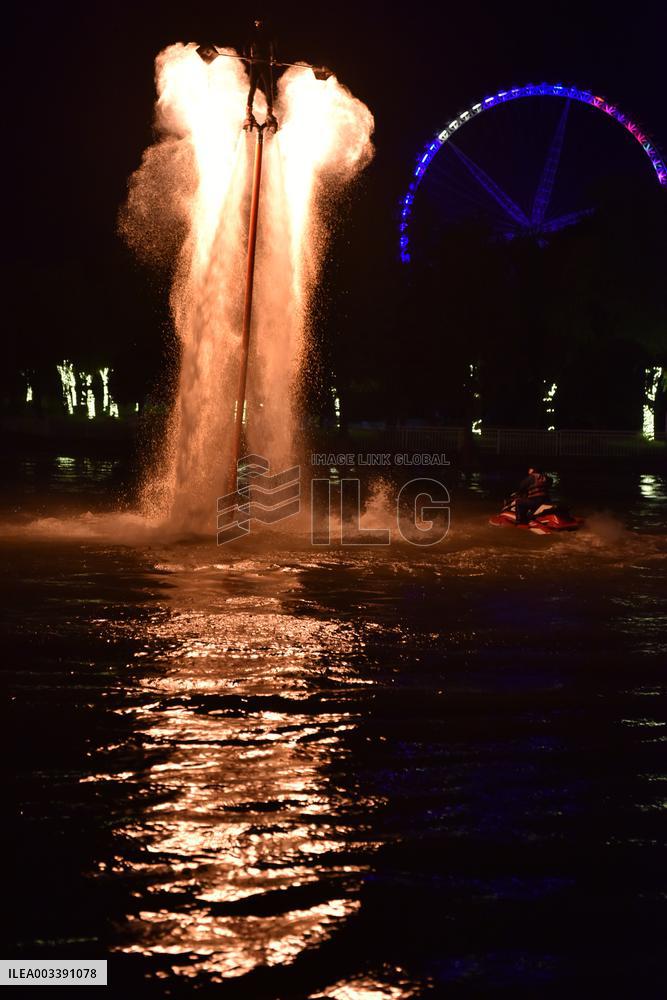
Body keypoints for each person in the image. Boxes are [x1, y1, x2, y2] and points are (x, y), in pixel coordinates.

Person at [243, 18, 278, 131]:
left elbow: (273, 47)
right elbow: (246, 46)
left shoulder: (268, 35)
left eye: (260, 24)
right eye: (257, 24)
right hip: (256, 63)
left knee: (268, 87)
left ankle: (269, 112)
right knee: (253, 87)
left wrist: (274, 58)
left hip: (264, 63)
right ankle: (249, 111)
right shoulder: (253, 35)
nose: (258, 26)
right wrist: (247, 56)